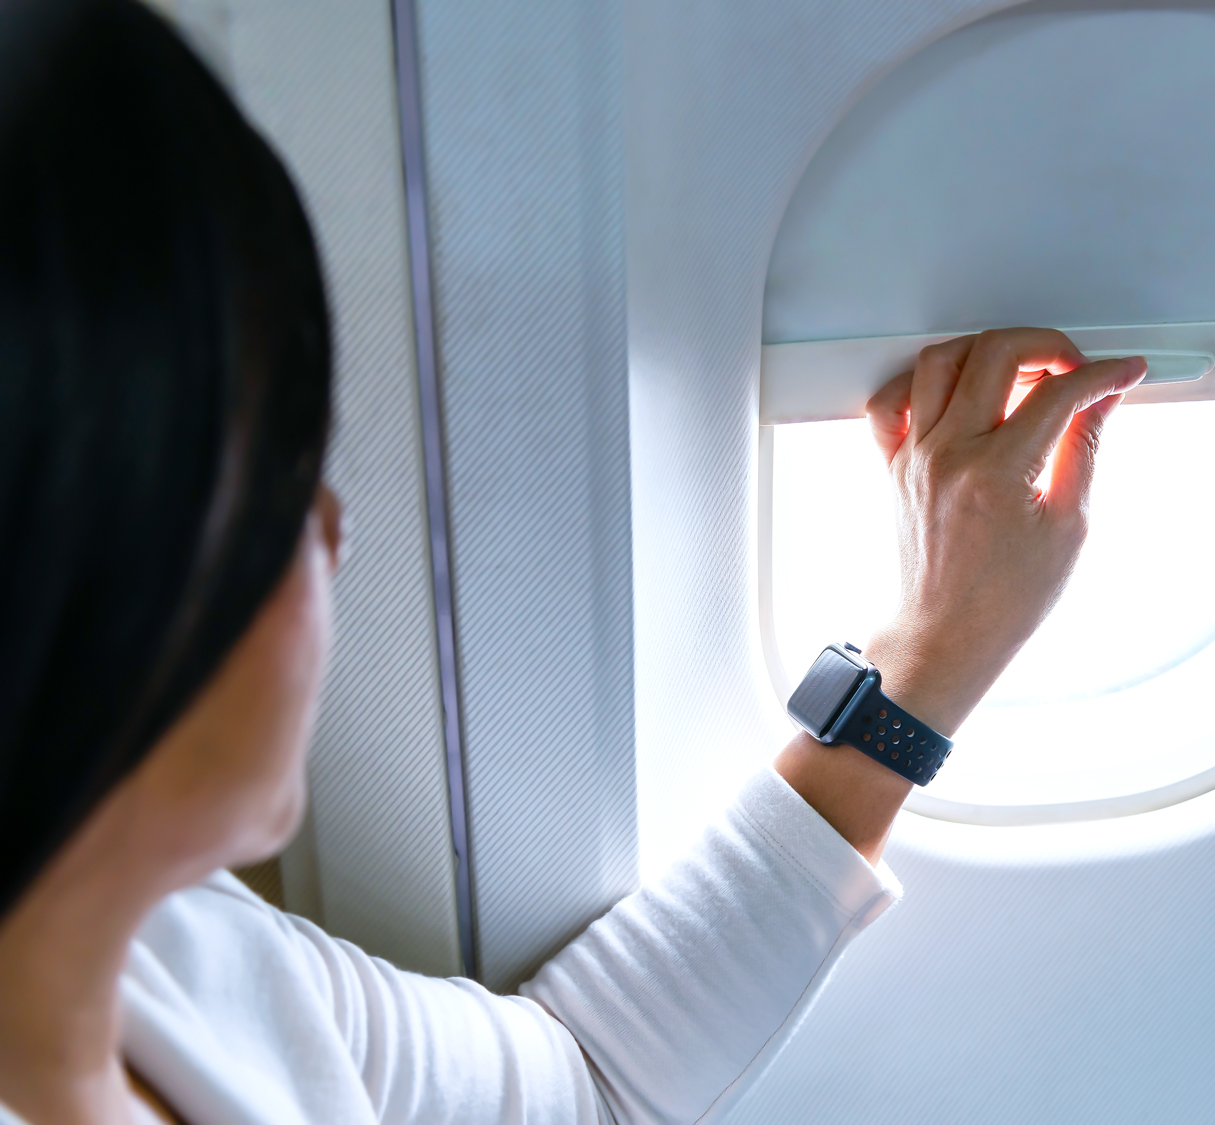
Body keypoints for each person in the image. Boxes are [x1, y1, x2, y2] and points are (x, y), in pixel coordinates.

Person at [0, 1, 1148, 1122]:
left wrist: (932, 654)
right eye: (278, 475)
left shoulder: (178, 950)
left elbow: (584, 1076)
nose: (335, 534)